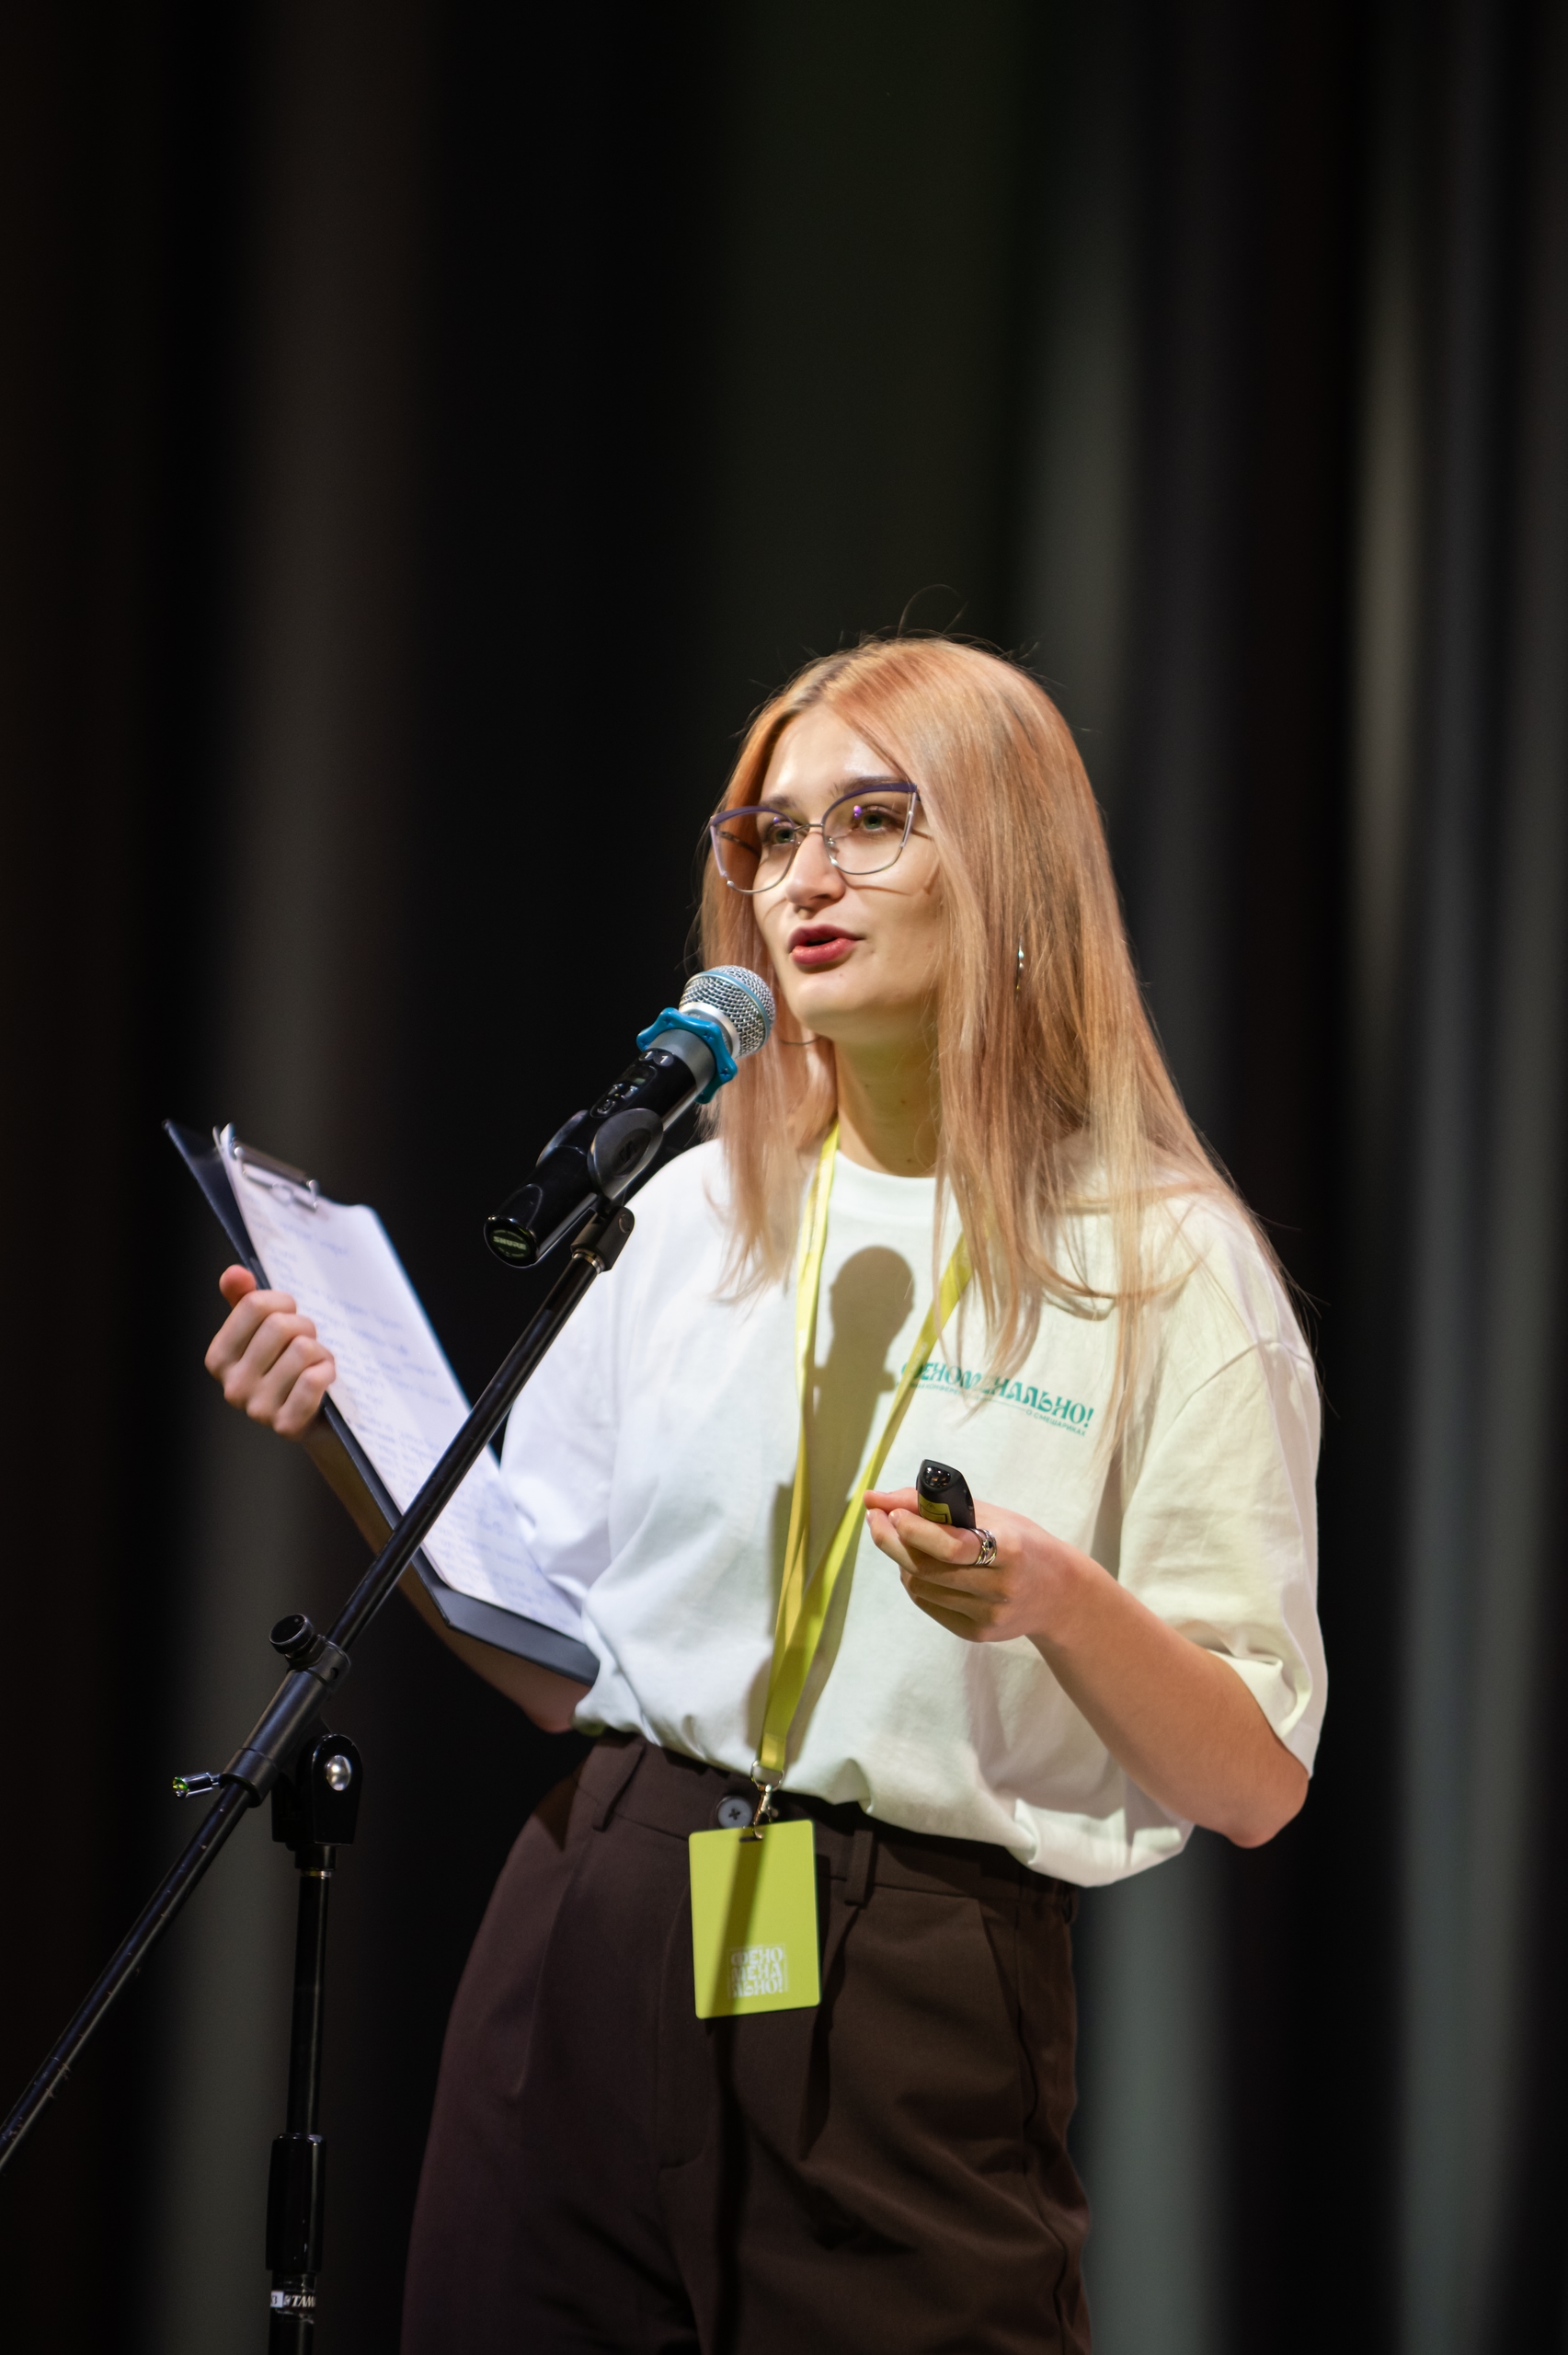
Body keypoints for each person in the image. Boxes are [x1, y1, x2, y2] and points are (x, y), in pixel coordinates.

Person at [205, 638, 1323, 2354]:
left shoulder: (1166, 1265)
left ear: (1013, 866)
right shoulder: (689, 1209)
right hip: (605, 1898)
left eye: (871, 820)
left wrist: (1053, 1601)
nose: (801, 877)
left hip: (909, 1967)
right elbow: (560, 1659)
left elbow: (1249, 1782)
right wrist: (344, 1449)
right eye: (772, 832)